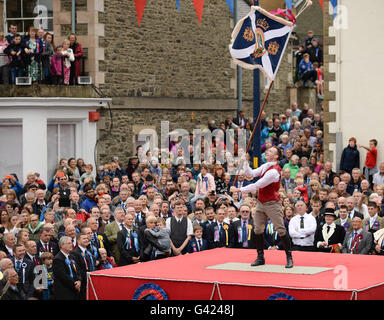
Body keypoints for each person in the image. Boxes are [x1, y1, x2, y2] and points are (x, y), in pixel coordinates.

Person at [230, 148, 293, 268]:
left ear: (275, 157)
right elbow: (251, 174)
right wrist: (245, 162)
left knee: (281, 229)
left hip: (272, 203)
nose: (267, 152)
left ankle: (289, 257)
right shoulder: (266, 166)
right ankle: (260, 257)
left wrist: (239, 189)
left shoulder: (274, 171)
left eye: (270, 151)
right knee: (257, 230)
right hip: (261, 202)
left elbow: (258, 184)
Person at [70, 233, 96, 300]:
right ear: (78, 241)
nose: (86, 240)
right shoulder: (75, 253)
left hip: (92, 279)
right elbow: (77, 268)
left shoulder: (89, 251)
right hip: (83, 282)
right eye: (84, 239)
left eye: (87, 238)